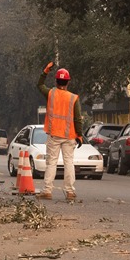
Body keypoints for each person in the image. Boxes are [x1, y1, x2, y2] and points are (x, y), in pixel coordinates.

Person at [36, 62, 83, 201]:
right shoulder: (73, 98)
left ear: (56, 81)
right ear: (68, 82)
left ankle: (47, 191)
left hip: (54, 134)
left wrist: (45, 71)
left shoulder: (51, 93)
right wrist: (79, 135)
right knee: (69, 162)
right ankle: (70, 192)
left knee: (51, 163)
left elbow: (39, 85)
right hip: (69, 136)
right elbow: (78, 119)